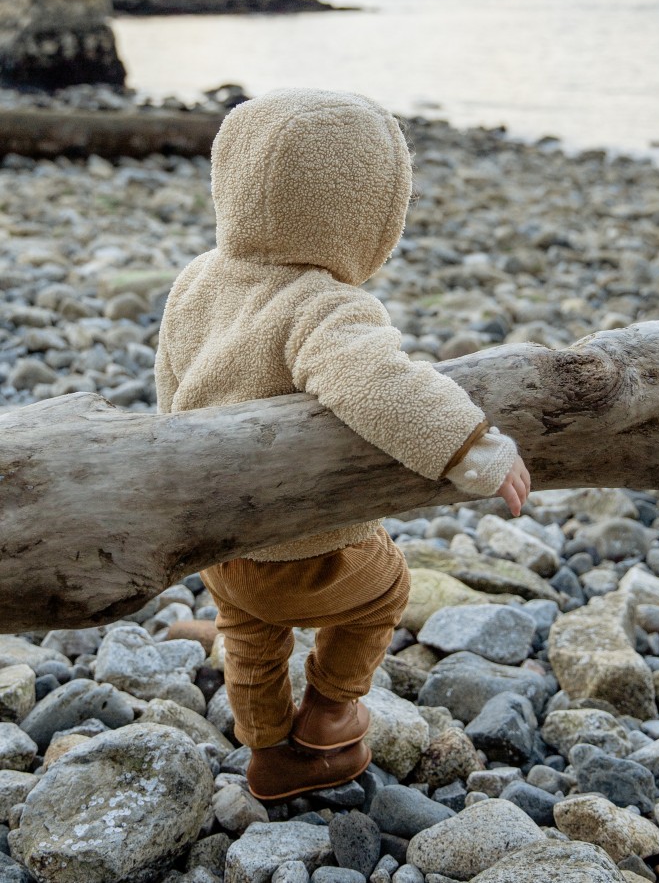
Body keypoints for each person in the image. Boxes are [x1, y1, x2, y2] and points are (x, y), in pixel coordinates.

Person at [155, 87, 530, 800]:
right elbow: (379, 382)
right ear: (367, 214)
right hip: (308, 551)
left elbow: (169, 391)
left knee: (250, 641)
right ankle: (330, 711)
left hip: (221, 545)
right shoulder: (322, 302)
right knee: (387, 585)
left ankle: (269, 756)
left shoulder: (196, 281)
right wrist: (473, 447)